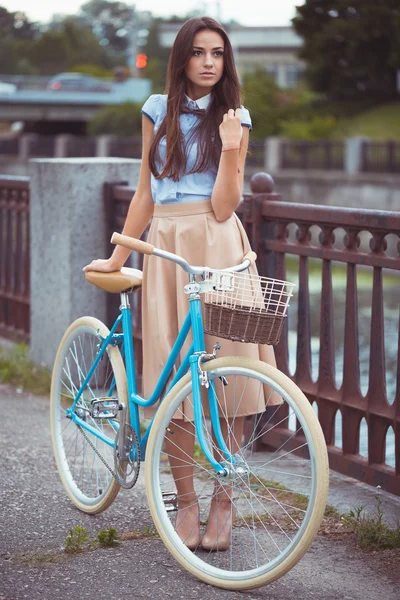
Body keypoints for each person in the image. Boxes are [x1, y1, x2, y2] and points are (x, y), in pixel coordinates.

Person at [84, 16, 281, 552]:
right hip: (166, 247)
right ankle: (186, 500)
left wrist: (232, 146)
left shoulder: (235, 116)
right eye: (199, 53)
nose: (210, 62)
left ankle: (224, 499)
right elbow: (146, 194)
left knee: (235, 376)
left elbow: (225, 205)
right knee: (175, 379)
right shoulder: (156, 110)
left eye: (218, 52)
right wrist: (118, 255)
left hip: (218, 244)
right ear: (182, 59)